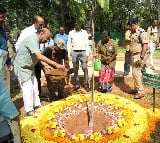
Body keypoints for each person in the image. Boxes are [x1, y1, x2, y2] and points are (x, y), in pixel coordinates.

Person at [13, 28, 67, 116]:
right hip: (22, 67)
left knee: (34, 86)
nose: (48, 40)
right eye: (48, 37)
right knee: (28, 88)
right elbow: (39, 56)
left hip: (29, 67)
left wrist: (45, 65)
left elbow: (35, 55)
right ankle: (29, 109)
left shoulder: (36, 41)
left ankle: (37, 104)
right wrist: (56, 65)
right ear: (41, 33)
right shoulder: (32, 39)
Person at [15, 15, 45, 98]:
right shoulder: (27, 32)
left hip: (37, 59)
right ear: (35, 23)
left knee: (37, 78)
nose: (42, 26)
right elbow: (18, 45)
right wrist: (25, 56)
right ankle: (30, 102)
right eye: (40, 24)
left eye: (43, 25)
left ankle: (38, 97)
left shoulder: (41, 32)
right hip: (27, 60)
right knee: (28, 82)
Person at [0, 3, 19, 122]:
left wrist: (8, 63)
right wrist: (14, 115)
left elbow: (4, 48)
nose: (3, 19)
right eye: (1, 16)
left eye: (3, 17)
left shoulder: (1, 30)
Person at [128, 18, 149, 99]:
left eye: (132, 25)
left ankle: (141, 91)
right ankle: (137, 88)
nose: (130, 27)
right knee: (135, 72)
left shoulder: (142, 32)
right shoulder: (133, 33)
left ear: (136, 24)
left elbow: (145, 45)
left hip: (139, 55)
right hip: (134, 55)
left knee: (136, 72)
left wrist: (141, 57)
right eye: (130, 25)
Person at [67, 21, 91, 92]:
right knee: (75, 69)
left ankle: (86, 84)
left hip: (83, 52)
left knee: (85, 68)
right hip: (74, 52)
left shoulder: (84, 32)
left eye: (79, 24)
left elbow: (87, 43)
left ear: (81, 25)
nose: (77, 25)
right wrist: (68, 54)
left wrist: (87, 54)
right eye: (76, 24)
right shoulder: (71, 33)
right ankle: (77, 84)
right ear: (74, 25)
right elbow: (69, 44)